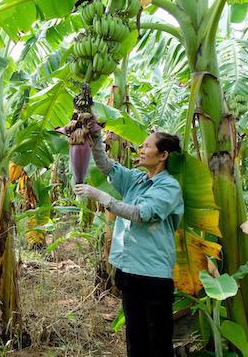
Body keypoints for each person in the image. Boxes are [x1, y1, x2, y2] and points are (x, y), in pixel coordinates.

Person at [73, 128, 184, 357]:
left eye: (147, 146)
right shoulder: (137, 180)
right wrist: (94, 137)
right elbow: (106, 165)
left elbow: (142, 214)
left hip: (153, 275)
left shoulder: (168, 187)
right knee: (135, 340)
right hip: (129, 271)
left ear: (163, 155)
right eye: (141, 145)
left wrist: (101, 197)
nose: (141, 150)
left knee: (158, 343)